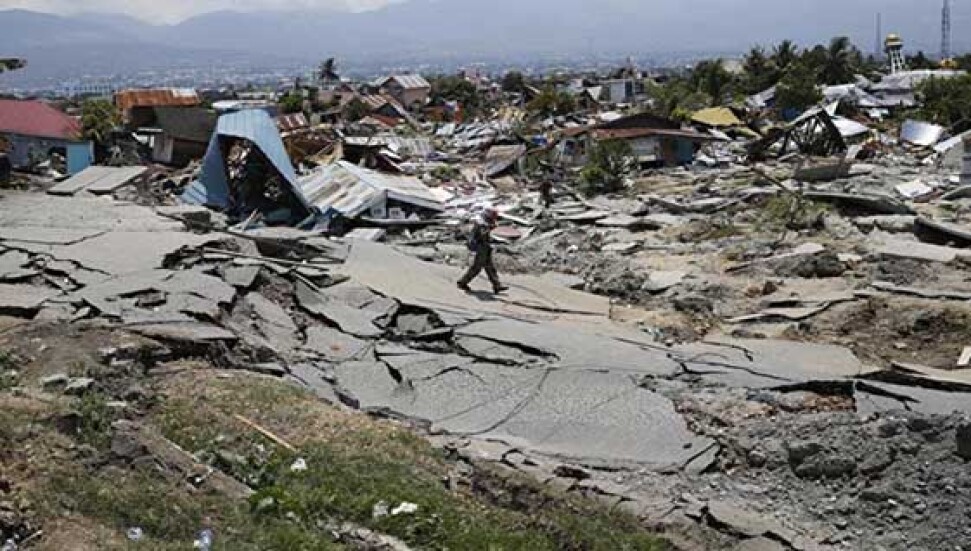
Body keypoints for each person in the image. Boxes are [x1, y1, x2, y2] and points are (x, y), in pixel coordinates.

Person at [457, 208, 508, 294]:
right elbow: (482, 235)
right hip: (481, 247)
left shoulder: (488, 222)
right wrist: (491, 229)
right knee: (477, 267)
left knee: (490, 268)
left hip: (486, 246)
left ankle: (497, 285)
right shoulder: (482, 223)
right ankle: (462, 282)